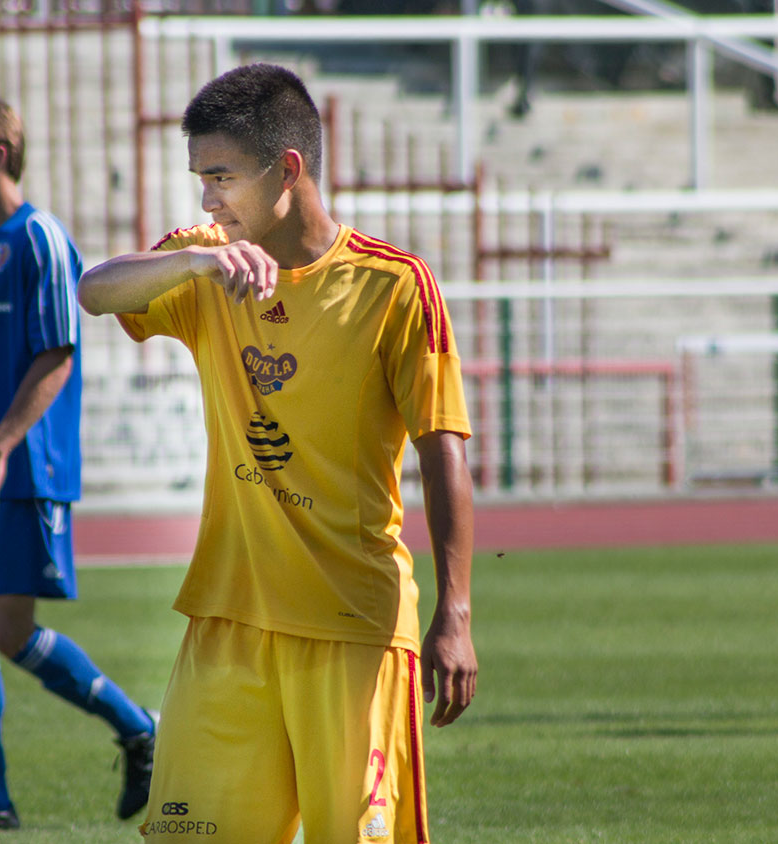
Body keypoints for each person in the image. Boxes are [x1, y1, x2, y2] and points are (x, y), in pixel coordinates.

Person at [79, 63, 479, 843]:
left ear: (286, 169)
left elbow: (443, 451)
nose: (207, 200)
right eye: (200, 179)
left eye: (221, 176)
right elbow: (94, 290)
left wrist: (454, 613)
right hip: (228, 621)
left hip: (352, 628)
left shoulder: (394, 286)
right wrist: (192, 262)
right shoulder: (206, 262)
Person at [0, 97, 158, 833]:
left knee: (8, 628)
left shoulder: (40, 239)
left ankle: (140, 727)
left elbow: (57, 354)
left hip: (22, 468)